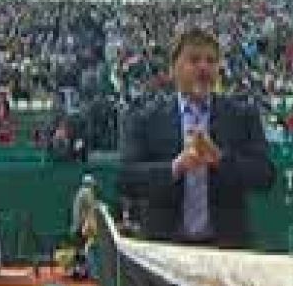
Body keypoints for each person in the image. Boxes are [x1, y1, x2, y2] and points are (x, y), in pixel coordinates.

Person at [118, 27, 276, 248]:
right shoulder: (145, 118)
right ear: (173, 69)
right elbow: (126, 178)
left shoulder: (242, 115)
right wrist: (176, 166)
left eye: (211, 61)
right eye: (194, 60)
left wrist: (220, 159)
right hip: (165, 250)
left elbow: (265, 176)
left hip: (227, 250)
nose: (203, 67)